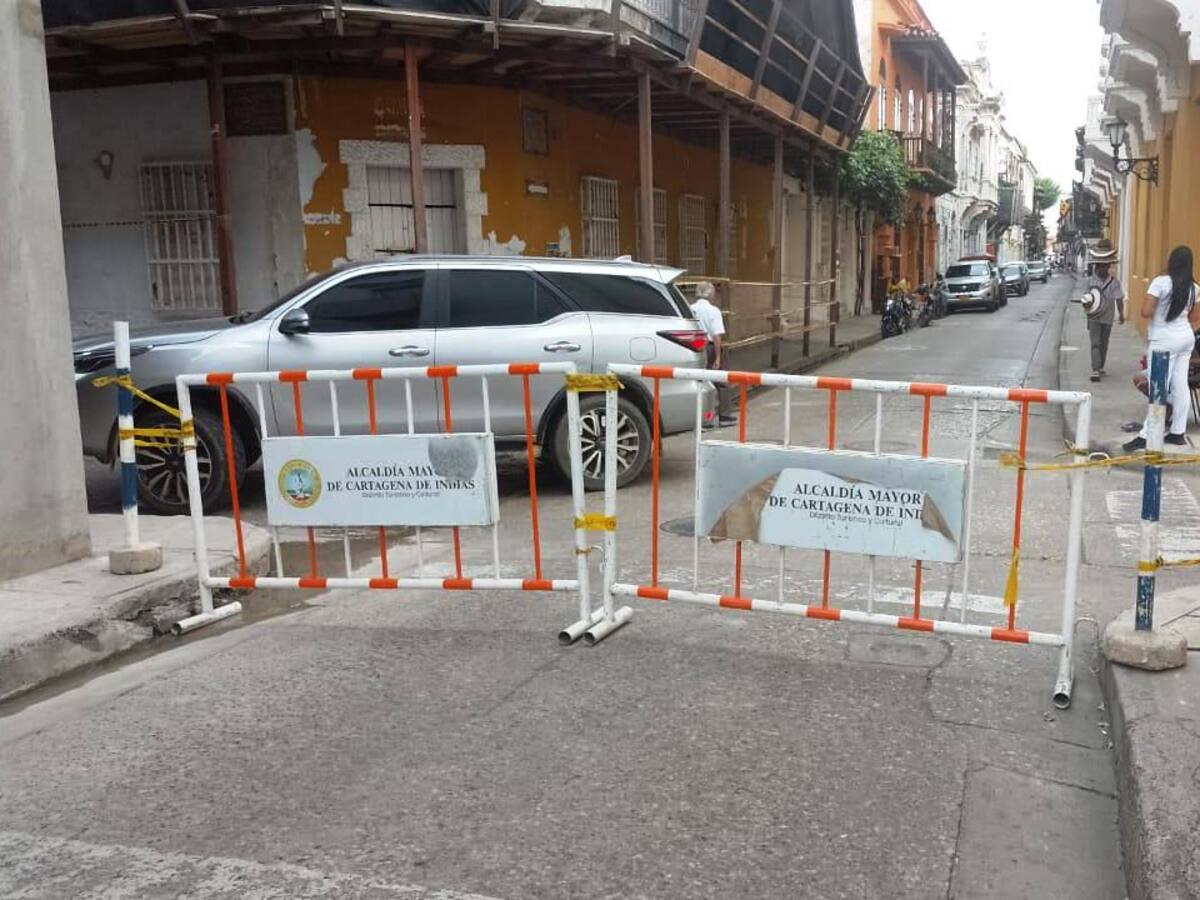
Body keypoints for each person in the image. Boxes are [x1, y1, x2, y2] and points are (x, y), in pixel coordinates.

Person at [1124, 246, 1200, 451]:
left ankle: (1147, 434)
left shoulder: (1161, 282)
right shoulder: (1194, 287)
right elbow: (1195, 319)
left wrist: (1158, 304)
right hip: (1185, 338)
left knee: (1159, 384)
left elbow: (1146, 311)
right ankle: (1177, 432)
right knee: (1180, 384)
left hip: (1163, 339)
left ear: (1172, 261)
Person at [690, 281, 736, 429]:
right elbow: (716, 336)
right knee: (721, 382)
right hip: (709, 347)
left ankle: (705, 420)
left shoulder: (690, 309)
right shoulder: (713, 311)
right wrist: (718, 357)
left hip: (694, 347)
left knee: (701, 382)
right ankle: (724, 416)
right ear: (711, 295)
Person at [1083, 240, 1125, 382]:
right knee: (1095, 343)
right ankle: (1095, 369)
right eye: (1099, 266)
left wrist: (1121, 314)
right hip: (1094, 317)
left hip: (1107, 317)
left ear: (1107, 266)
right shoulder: (1090, 281)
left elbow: (1119, 299)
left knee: (1104, 343)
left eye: (1104, 266)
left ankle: (1100, 366)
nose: (1101, 268)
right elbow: (1086, 299)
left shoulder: (1114, 283)